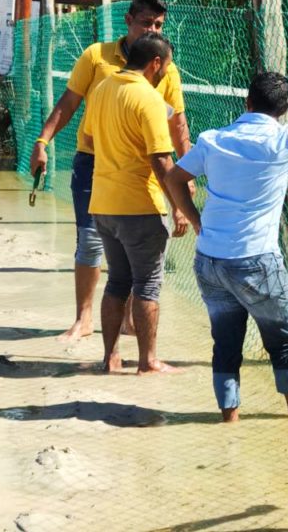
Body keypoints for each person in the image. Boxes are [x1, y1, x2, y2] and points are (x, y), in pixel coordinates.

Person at [164, 39, 288, 423]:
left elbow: (174, 177)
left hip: (210, 261)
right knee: (284, 341)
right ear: (284, 111)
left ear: (246, 103)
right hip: (258, 262)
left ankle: (228, 419)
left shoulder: (213, 140)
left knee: (226, 341)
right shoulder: (286, 139)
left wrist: (197, 222)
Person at [29, 0, 192, 343]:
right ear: (128, 20)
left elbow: (177, 125)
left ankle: (130, 322)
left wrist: (187, 172)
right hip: (93, 161)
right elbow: (68, 102)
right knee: (90, 241)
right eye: (146, 22)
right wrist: (42, 142)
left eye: (158, 24)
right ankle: (83, 319)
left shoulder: (166, 65)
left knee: (135, 246)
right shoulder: (96, 56)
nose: (152, 28)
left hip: (141, 165)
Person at [82, 32, 191, 374]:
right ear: (154, 63)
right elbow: (162, 163)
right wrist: (184, 208)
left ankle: (110, 358)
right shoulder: (148, 99)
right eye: (165, 67)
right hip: (140, 206)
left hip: (103, 205)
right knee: (147, 284)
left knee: (116, 281)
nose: (165, 74)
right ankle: (148, 360)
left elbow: (87, 136)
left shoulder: (101, 89)